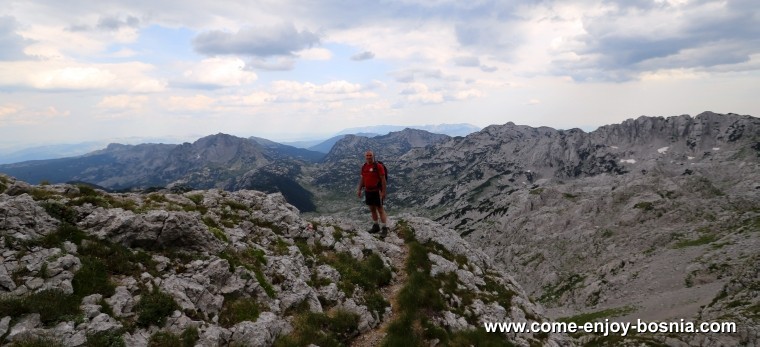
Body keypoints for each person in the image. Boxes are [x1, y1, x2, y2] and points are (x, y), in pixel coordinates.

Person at [356, 150, 388, 235]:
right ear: (365, 156)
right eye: (367, 155)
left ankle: (384, 228)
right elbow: (362, 179)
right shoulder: (364, 167)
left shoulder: (378, 166)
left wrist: (383, 192)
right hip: (368, 191)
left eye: (370, 155)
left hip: (377, 191)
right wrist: (359, 189)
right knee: (372, 209)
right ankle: (376, 226)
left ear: (373, 156)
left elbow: (383, 179)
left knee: (380, 209)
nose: (369, 157)